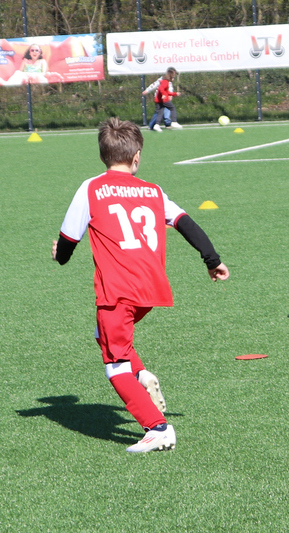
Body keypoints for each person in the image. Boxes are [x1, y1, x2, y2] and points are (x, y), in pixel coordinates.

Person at [52, 117, 229, 453]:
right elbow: (185, 222)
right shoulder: (153, 191)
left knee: (114, 365)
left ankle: (157, 427)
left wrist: (58, 255)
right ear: (136, 158)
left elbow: (68, 241)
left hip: (116, 291)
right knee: (105, 335)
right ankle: (143, 376)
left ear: (102, 156)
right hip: (150, 289)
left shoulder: (91, 188)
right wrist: (212, 259)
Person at [142, 67, 183, 132]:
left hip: (160, 99)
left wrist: (174, 94)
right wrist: (148, 90)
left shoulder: (167, 81)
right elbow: (160, 88)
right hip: (163, 99)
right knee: (172, 108)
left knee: (160, 112)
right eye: (173, 76)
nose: (174, 78)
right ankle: (173, 122)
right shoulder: (164, 81)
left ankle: (157, 125)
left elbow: (167, 91)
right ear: (170, 75)